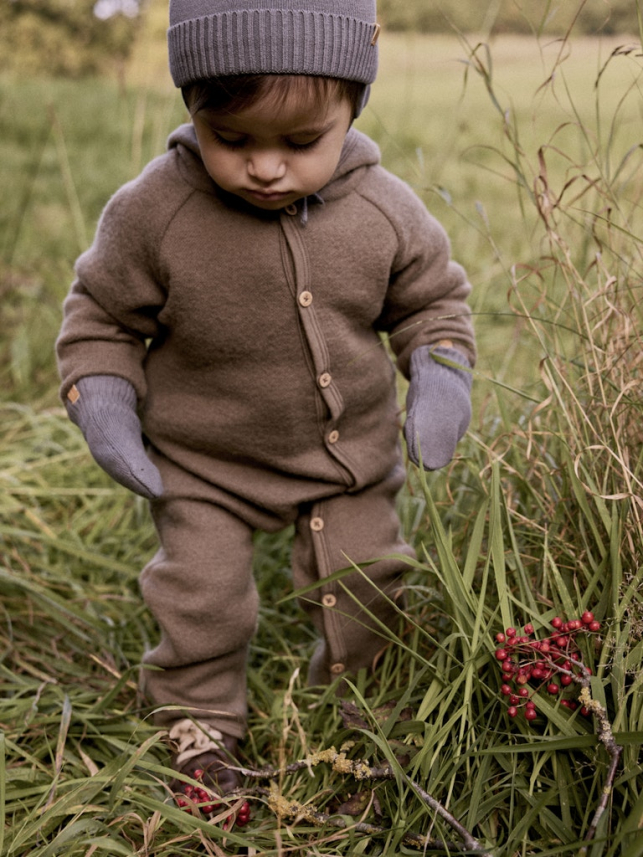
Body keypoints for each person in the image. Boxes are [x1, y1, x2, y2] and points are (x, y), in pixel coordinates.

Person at [56, 0, 476, 815]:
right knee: (200, 594)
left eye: (300, 143)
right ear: (193, 108)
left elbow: (433, 302)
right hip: (202, 462)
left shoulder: (384, 209)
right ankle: (198, 722)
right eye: (233, 140)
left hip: (345, 460)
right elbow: (100, 317)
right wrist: (102, 393)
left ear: (352, 104)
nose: (265, 169)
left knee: (368, 584)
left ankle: (366, 716)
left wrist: (440, 371)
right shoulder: (154, 212)